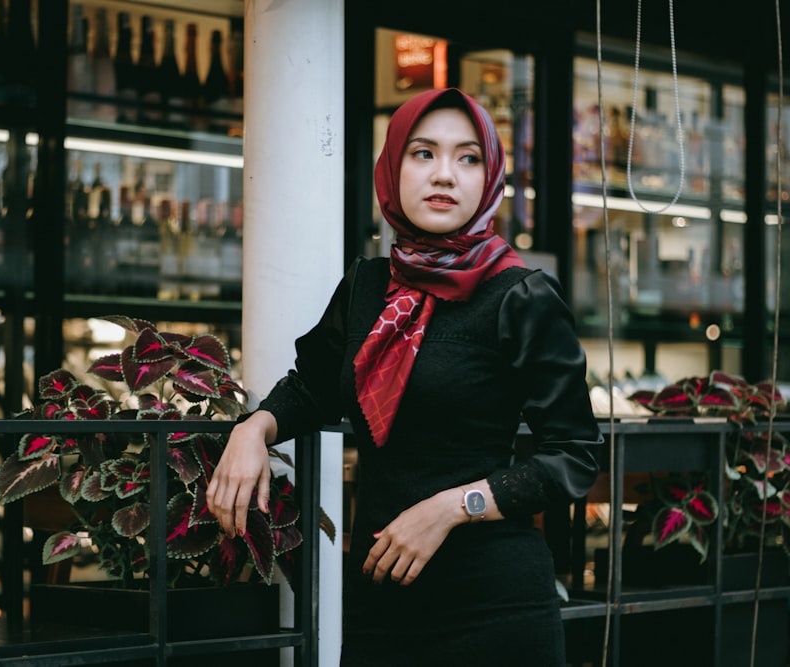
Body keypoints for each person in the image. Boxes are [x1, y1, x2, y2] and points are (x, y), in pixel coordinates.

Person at [206, 87, 603, 666]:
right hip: (381, 604)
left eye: (468, 158)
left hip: (494, 607)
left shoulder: (520, 296)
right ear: (392, 167)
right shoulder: (367, 286)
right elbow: (313, 386)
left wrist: (449, 508)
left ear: (489, 176)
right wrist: (252, 429)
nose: (446, 174)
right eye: (424, 153)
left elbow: (575, 455)